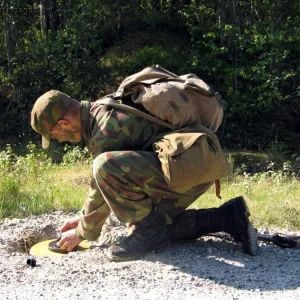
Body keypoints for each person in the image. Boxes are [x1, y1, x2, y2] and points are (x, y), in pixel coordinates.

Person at [31, 90, 259, 261]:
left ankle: (150, 234)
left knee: (106, 167)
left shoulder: (106, 129)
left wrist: (82, 232)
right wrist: (82, 218)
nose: (59, 141)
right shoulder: (100, 110)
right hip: (189, 165)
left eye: (55, 135)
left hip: (187, 168)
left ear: (63, 123)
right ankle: (230, 216)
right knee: (154, 223)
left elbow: (104, 176)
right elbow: (102, 188)